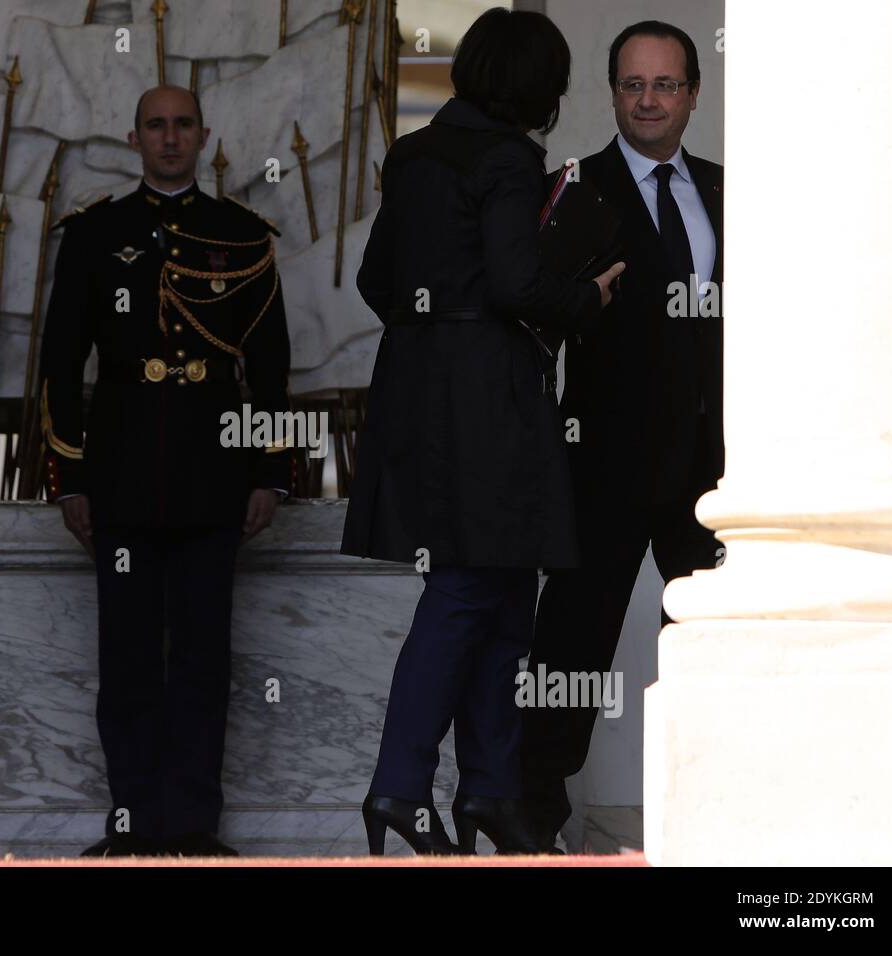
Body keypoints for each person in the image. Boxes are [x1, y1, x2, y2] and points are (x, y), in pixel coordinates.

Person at [340, 8, 624, 855]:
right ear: (537, 86)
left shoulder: (416, 152)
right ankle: (399, 785)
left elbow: (374, 278)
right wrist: (589, 299)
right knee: (470, 590)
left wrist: (437, 326)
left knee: (501, 592)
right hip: (491, 398)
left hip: (418, 390)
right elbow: (516, 284)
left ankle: (490, 795)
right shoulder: (508, 157)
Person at [37, 85, 293, 857]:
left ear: (204, 134)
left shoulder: (241, 234)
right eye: (157, 125)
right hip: (118, 472)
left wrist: (269, 471)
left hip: (213, 471)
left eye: (183, 125)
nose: (171, 138)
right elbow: (58, 362)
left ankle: (192, 829)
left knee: (203, 660)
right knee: (127, 660)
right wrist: (70, 476)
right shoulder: (93, 233)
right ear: (134, 136)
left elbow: (271, 366)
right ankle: (131, 827)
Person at [522, 20, 724, 849]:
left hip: (710, 476)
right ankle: (530, 823)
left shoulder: (727, 189)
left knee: (720, 648)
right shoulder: (575, 189)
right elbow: (535, 319)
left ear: (691, 95)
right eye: (633, 84)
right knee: (570, 651)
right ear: (612, 92)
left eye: (665, 85)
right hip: (599, 462)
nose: (648, 100)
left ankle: (718, 812)